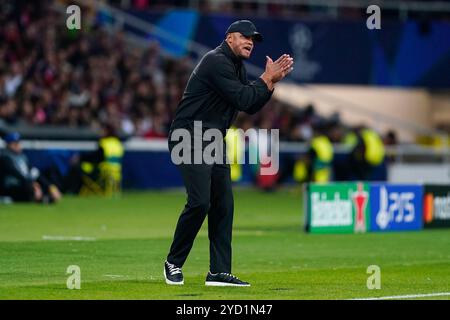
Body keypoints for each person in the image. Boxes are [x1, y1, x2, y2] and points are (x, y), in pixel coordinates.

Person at [164, 20, 294, 286]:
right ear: (229, 38)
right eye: (245, 37)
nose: (250, 42)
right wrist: (266, 79)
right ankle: (173, 263)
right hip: (189, 136)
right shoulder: (216, 61)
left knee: (223, 204)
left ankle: (218, 271)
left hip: (211, 138)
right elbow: (244, 99)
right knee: (200, 202)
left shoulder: (235, 65)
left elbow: (250, 105)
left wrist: (270, 84)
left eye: (253, 39)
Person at [0, 132, 61, 203]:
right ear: (9, 145)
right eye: (15, 144)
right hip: (11, 186)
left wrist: (50, 186)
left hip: (25, 184)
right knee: (29, 189)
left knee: (44, 184)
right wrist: (32, 184)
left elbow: (34, 172)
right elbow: (16, 173)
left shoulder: (22, 157)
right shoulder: (5, 157)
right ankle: (42, 199)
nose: (19, 146)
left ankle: (43, 198)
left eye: (19, 143)